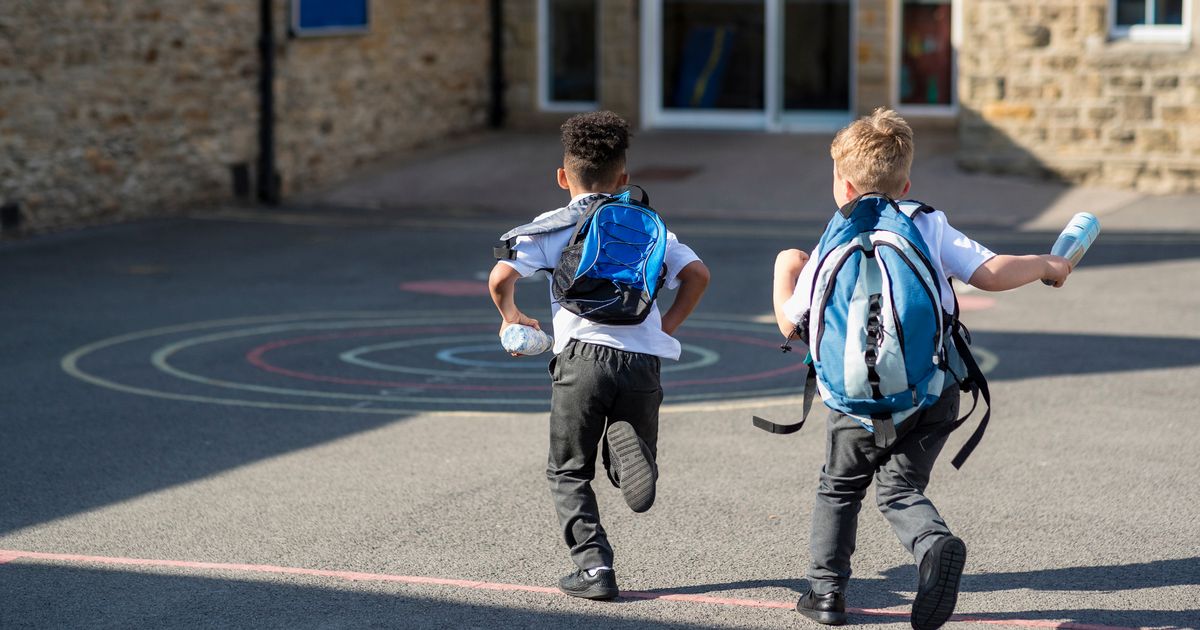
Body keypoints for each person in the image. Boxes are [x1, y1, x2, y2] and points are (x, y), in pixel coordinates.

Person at [771, 108, 1071, 629]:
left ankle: (826, 594)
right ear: (906, 184)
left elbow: (790, 324)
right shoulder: (926, 223)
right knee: (899, 489)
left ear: (843, 185)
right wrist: (1047, 263)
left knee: (839, 488)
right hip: (930, 391)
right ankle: (932, 546)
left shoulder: (833, 237)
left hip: (854, 404)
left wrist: (785, 269)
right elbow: (990, 273)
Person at [488, 110, 710, 600]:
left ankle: (595, 568)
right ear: (624, 179)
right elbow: (697, 275)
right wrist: (665, 327)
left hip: (582, 359)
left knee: (567, 469)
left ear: (562, 177)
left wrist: (512, 317)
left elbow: (501, 278)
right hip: (643, 361)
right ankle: (629, 450)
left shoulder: (552, 226)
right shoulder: (650, 226)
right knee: (629, 455)